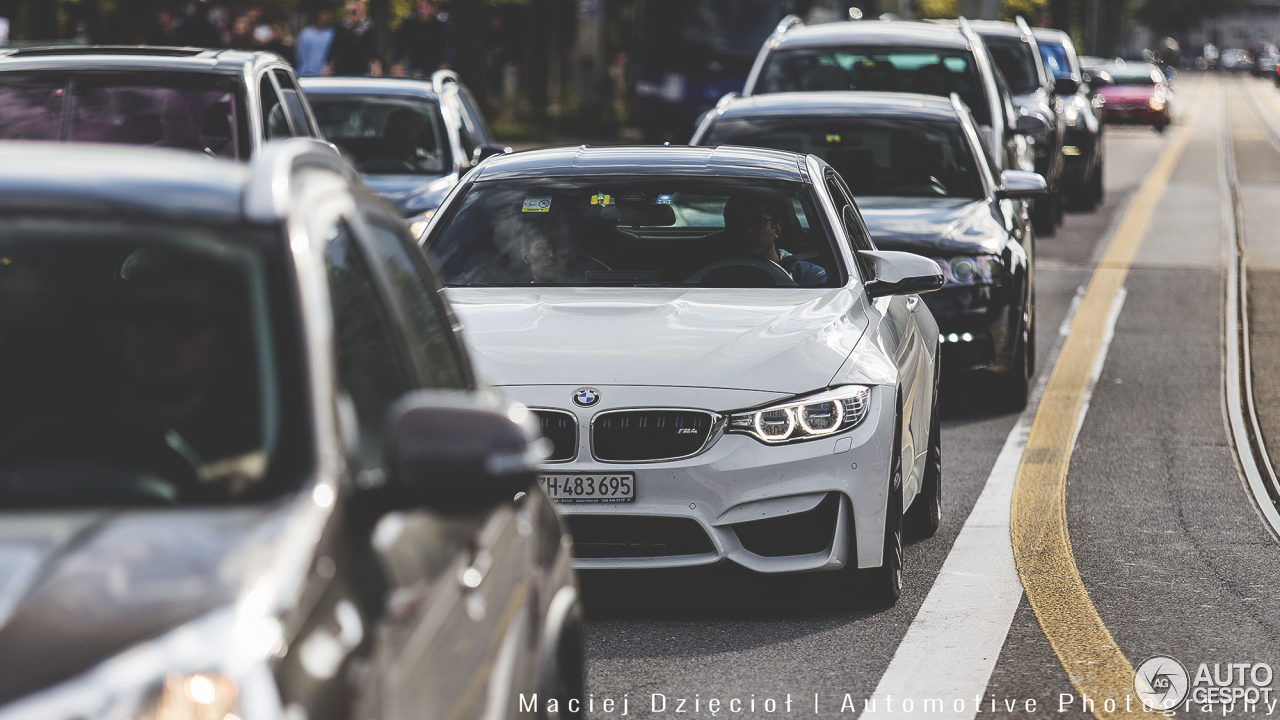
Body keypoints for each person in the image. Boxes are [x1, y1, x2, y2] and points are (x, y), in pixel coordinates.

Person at [720, 194, 826, 286]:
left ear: (776, 229)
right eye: (738, 223)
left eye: (757, 222)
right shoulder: (716, 274)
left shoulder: (808, 277)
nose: (748, 230)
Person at [391, 0, 455, 78]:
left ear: (433, 8)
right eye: (421, 7)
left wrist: (445, 63)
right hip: (414, 64)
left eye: (427, 7)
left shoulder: (442, 24)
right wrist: (396, 62)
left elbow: (448, 47)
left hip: (436, 65)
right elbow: (399, 44)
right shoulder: (409, 22)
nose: (423, 11)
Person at [326, 0, 380, 77]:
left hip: (363, 70)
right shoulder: (341, 28)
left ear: (363, 12)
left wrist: (375, 67)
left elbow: (374, 50)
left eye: (355, 11)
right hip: (342, 70)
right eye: (350, 12)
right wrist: (328, 65)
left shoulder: (369, 28)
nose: (353, 14)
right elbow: (333, 48)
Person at [295, 10, 335, 77]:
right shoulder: (305, 34)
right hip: (305, 74)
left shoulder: (331, 34)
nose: (326, 18)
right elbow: (299, 55)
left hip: (324, 75)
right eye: (324, 14)